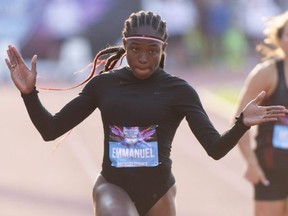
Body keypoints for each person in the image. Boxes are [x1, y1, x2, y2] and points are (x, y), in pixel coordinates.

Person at [5, 11, 288, 216]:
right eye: (135, 49)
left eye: (152, 50)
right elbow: (50, 129)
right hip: (113, 186)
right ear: (125, 46)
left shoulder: (180, 91)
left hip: (161, 192)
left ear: (163, 49)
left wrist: (241, 124)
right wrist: (29, 94)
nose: (143, 57)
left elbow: (214, 149)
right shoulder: (104, 85)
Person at [233, 11, 288, 216]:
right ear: (279, 39)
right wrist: (251, 163)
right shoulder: (267, 73)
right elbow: (240, 119)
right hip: (270, 169)